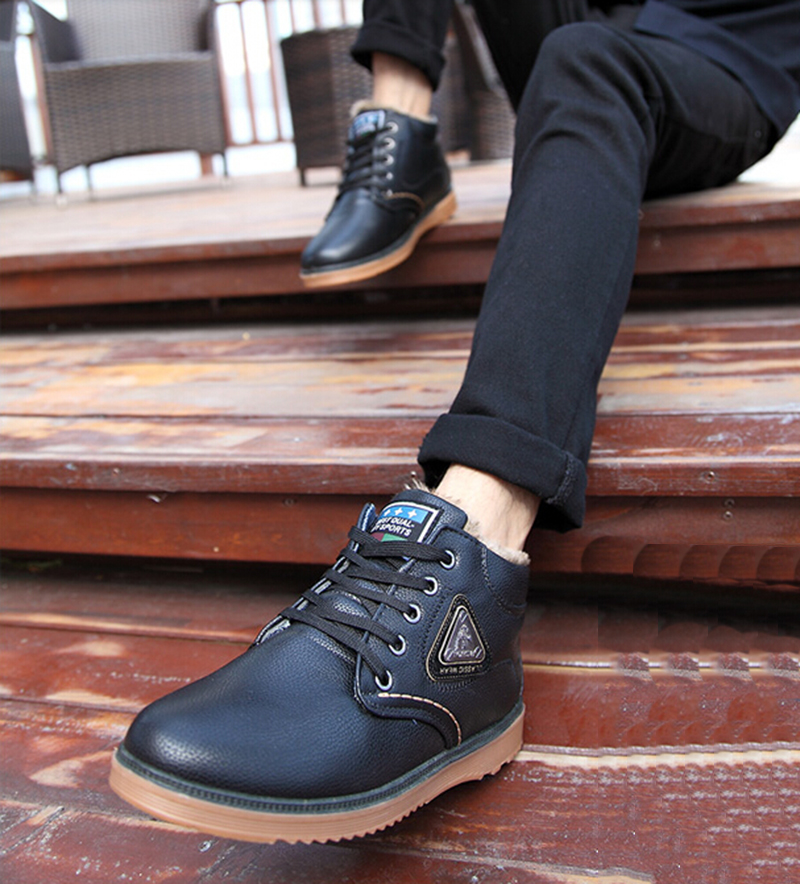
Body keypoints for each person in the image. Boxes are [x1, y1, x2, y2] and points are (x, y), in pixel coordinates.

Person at [109, 1, 800, 844]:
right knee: (581, 50)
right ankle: (398, 132)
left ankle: (479, 523)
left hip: (720, 57)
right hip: (591, 29)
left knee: (586, 58)